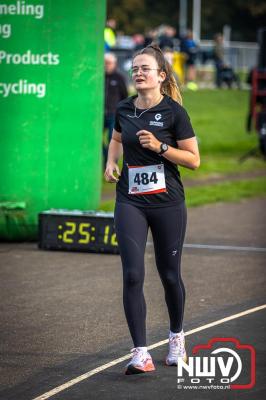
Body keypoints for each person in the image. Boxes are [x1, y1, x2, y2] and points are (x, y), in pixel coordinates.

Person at [104, 44, 200, 375]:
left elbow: (194, 160)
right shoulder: (125, 109)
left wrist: (161, 147)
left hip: (167, 203)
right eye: (135, 68)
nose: (138, 72)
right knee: (132, 274)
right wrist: (111, 161)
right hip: (130, 199)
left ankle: (176, 338)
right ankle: (140, 353)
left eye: (145, 68)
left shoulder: (175, 113)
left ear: (161, 75)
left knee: (169, 274)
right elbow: (116, 139)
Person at [103, 52, 128, 167]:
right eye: (105, 63)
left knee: (112, 140)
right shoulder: (100, 78)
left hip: (114, 114)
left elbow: (125, 96)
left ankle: (111, 163)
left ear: (114, 64)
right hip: (100, 115)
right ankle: (104, 158)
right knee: (95, 139)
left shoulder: (119, 78)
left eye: (109, 63)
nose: (107, 65)